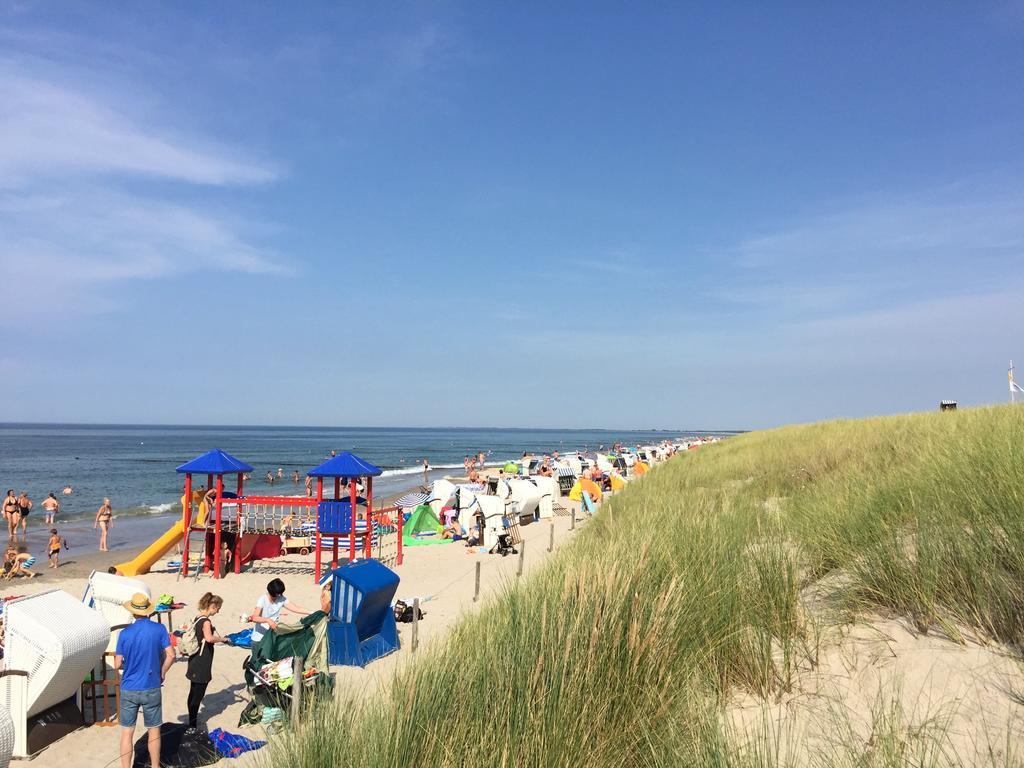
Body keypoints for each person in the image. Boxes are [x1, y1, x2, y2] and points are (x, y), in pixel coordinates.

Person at [115, 593, 174, 768]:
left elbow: (118, 663)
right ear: (148, 610)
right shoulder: (159, 629)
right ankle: (155, 766)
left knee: (127, 732)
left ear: (133, 612)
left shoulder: (124, 633)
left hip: (129, 687)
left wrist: (127, 662)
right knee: (154, 730)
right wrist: (162, 672)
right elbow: (171, 655)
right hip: (152, 685)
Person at [185, 592, 227, 734]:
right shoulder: (206, 621)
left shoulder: (198, 617)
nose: (218, 611)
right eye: (218, 608)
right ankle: (192, 724)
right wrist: (223, 639)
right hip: (202, 661)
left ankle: (192, 720)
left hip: (194, 659)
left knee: (193, 691)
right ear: (212, 606)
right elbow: (209, 638)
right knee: (198, 693)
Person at [248, 578, 309, 645]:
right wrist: (268, 620)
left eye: (281, 594)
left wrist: (312, 612)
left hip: (273, 637)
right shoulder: (262, 599)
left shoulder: (281, 598)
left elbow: (297, 609)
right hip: (259, 638)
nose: (279, 596)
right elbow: (254, 617)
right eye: (278, 594)